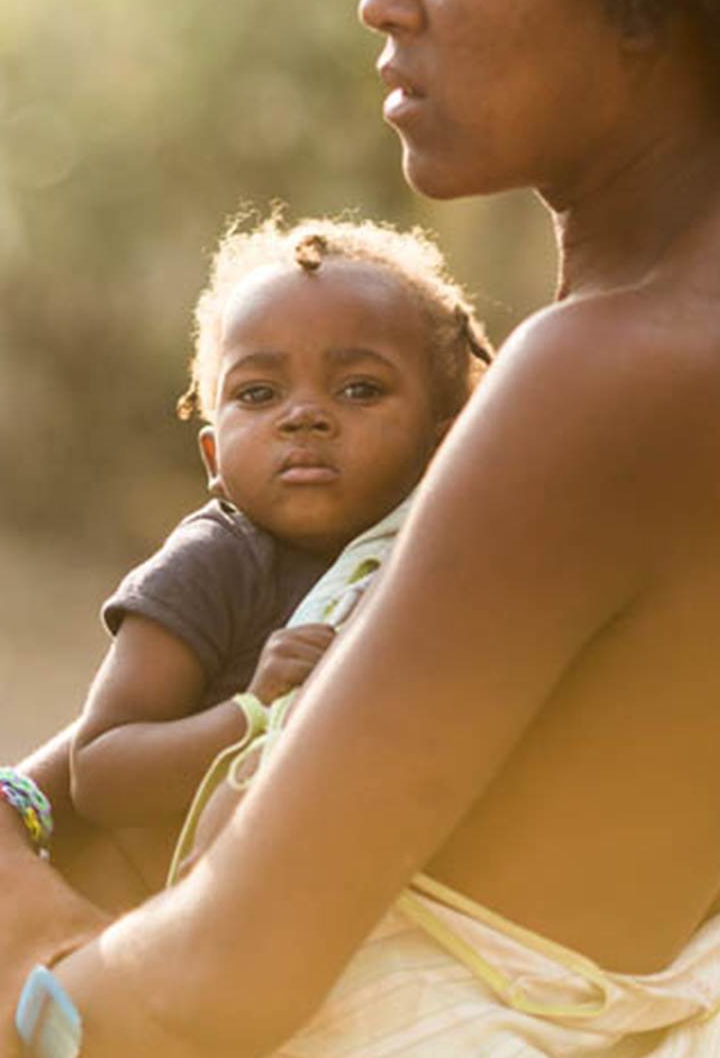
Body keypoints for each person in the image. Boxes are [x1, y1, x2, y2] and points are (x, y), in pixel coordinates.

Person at [0, 0, 720, 1052]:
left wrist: (15, 982)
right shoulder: (627, 356)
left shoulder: (611, 377)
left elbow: (224, 977)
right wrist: (12, 807)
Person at [67, 214, 492, 903]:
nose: (303, 417)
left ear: (445, 442)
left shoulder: (439, 567)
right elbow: (98, 772)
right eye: (258, 394)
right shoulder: (214, 563)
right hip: (152, 930)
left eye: (359, 389)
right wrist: (251, 714)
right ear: (212, 456)